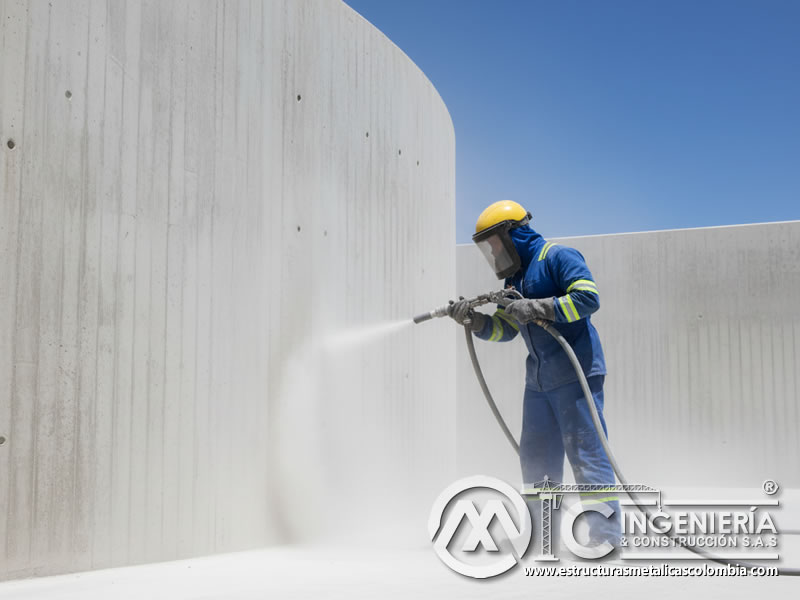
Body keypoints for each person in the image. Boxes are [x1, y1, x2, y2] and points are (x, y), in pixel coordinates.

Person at [449, 200, 620, 549]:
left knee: (586, 455)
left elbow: (588, 298)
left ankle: (605, 537)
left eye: (494, 241)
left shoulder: (557, 257)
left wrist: (538, 306)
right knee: (537, 459)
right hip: (539, 384)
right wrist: (476, 321)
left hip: (576, 374)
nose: (493, 250)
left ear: (514, 233)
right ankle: (543, 535)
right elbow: (506, 330)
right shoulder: (515, 280)